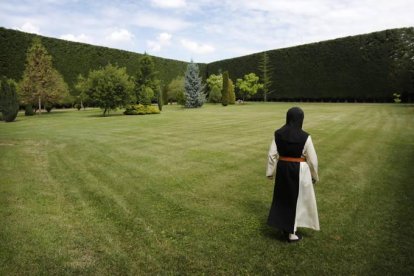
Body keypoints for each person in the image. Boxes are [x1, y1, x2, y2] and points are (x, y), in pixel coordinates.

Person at [266, 107, 319, 242]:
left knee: (283, 198)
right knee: (296, 201)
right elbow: (312, 160)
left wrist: (270, 172)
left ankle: (284, 227)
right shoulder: (305, 137)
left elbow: (272, 154)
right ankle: (291, 234)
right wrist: (314, 175)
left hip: (283, 168)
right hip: (299, 170)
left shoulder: (278, 133)